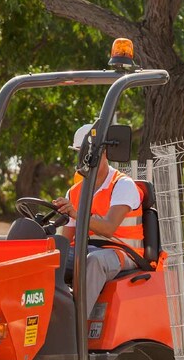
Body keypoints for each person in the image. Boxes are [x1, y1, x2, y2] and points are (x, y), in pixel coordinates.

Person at [52, 123, 145, 320]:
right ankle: (49, 319)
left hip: (122, 252)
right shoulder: (75, 191)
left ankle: (75, 326)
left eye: (85, 153)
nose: (81, 159)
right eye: (79, 153)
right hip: (86, 249)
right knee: (48, 259)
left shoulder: (122, 185)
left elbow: (109, 228)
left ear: (102, 153)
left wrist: (77, 214)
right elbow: (65, 241)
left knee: (94, 261)